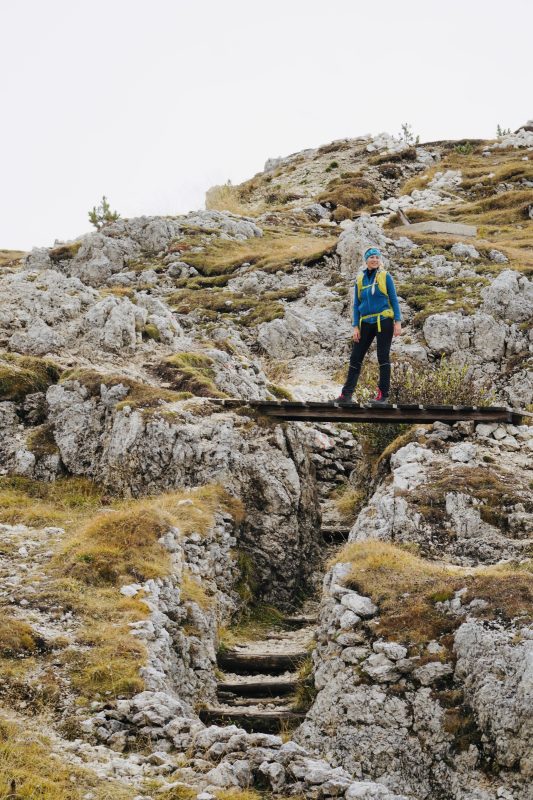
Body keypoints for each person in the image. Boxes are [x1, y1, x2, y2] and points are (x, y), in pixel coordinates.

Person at [336, 246, 402, 405]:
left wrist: (398, 322)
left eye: (377, 257)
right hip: (365, 322)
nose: (374, 260)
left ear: (380, 260)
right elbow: (356, 304)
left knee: (382, 356)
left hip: (383, 321)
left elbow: (394, 300)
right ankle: (346, 396)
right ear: (366, 260)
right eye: (371, 257)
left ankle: (383, 396)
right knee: (355, 357)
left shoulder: (385, 276)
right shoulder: (360, 279)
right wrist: (355, 326)